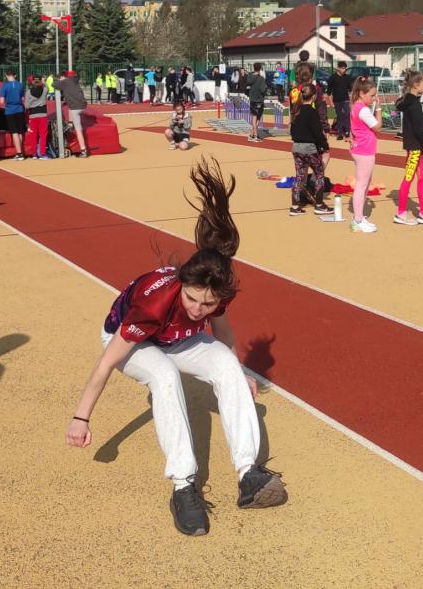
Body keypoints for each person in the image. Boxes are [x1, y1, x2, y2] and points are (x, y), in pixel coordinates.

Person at [65, 159, 286, 536]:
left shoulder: (214, 295)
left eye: (207, 304)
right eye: (191, 298)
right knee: (165, 375)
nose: (198, 309)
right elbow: (106, 363)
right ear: (182, 283)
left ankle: (249, 474)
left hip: (176, 337)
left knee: (227, 365)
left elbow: (222, 332)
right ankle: (184, 486)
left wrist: (240, 374)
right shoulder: (154, 305)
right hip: (135, 341)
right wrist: (81, 418)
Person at [393, 71, 423, 226]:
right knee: (409, 177)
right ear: (416, 85)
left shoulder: (408, 100)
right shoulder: (414, 104)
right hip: (414, 147)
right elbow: (419, 130)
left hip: (416, 146)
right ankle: (401, 212)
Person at [287, 83, 332, 215]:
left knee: (300, 176)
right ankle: (319, 204)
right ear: (313, 97)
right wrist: (324, 146)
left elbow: (292, 132)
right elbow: (318, 132)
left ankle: (295, 206)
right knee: (319, 174)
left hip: (296, 147)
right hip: (309, 147)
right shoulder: (312, 112)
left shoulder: (296, 111)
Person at [349, 77, 381, 233]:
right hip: (364, 150)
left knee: (365, 184)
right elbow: (377, 127)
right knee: (362, 185)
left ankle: (359, 217)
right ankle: (357, 220)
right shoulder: (363, 109)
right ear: (362, 93)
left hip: (360, 148)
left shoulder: (356, 106)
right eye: (372, 95)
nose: (374, 98)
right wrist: (379, 109)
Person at [55, 70, 90, 158]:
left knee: (78, 129)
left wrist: (61, 81)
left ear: (65, 76)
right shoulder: (75, 81)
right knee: (69, 106)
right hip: (82, 105)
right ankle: (71, 123)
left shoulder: (65, 81)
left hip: (75, 107)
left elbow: (54, 85)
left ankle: (83, 150)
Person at [24, 77, 51, 159]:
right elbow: (47, 87)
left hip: (33, 115)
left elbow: (27, 106)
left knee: (33, 135)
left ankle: (34, 154)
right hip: (42, 114)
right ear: (40, 81)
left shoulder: (28, 92)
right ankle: (42, 153)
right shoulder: (44, 90)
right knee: (43, 135)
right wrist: (44, 82)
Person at [328, 61, 352, 141]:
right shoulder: (332, 77)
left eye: (345, 68)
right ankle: (340, 133)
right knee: (339, 116)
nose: (344, 70)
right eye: (342, 68)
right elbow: (329, 92)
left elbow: (350, 90)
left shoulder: (347, 77)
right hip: (337, 101)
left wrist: (351, 100)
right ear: (338, 68)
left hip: (345, 100)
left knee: (347, 114)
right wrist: (331, 102)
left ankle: (347, 132)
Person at [246, 62, 268, 143]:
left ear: (253, 68)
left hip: (252, 99)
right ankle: (255, 136)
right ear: (260, 68)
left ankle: (251, 134)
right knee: (257, 117)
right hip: (259, 99)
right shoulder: (261, 78)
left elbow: (247, 84)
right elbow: (263, 90)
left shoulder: (249, 77)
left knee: (255, 117)